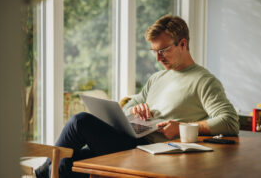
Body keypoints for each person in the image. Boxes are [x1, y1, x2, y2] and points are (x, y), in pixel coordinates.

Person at [35, 15, 239, 178]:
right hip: (132, 141)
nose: (158, 58)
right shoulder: (158, 78)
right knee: (68, 163)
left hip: (152, 152)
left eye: (164, 50)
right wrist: (135, 110)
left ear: (183, 44)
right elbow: (129, 105)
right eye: (154, 52)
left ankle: (42, 172)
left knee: (80, 121)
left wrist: (182, 127)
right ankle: (45, 172)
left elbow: (229, 121)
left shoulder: (204, 81)